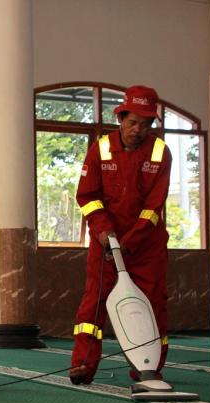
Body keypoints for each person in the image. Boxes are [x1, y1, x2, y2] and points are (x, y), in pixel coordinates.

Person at [69, 85, 172, 385]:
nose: (137, 130)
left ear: (151, 125)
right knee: (94, 302)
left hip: (146, 247)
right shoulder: (100, 150)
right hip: (105, 245)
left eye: (145, 124)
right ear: (121, 118)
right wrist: (104, 231)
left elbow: (154, 207)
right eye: (132, 122)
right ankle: (83, 365)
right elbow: (87, 197)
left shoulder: (160, 153)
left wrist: (132, 241)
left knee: (153, 304)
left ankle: (147, 368)